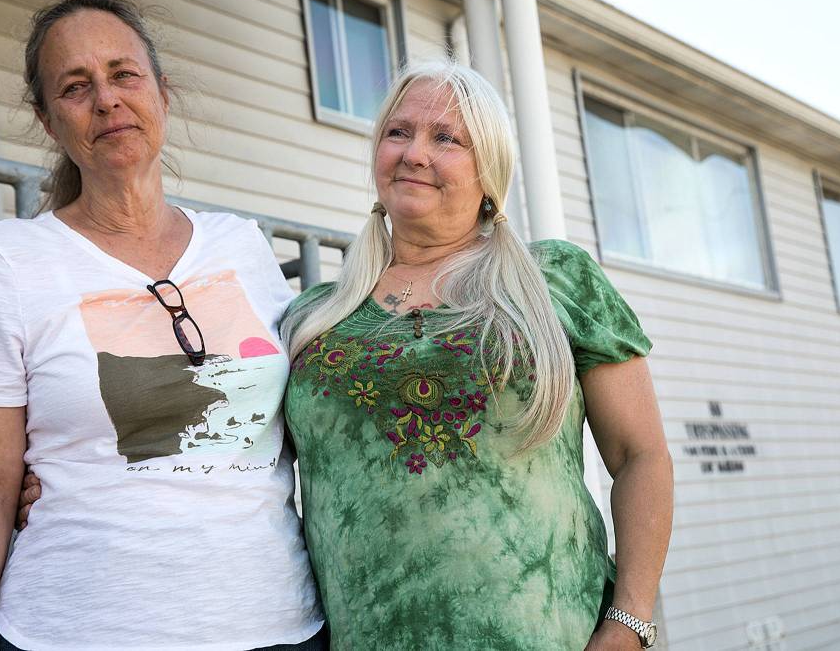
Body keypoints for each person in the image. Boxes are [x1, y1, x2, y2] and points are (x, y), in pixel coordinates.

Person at [0, 0, 325, 650]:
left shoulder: (242, 245)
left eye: (124, 74)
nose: (107, 100)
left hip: (274, 624)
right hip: (72, 630)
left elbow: (304, 421)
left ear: (162, 94)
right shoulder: (9, 261)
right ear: (48, 120)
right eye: (76, 86)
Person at [277, 61, 674, 649]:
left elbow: (640, 455)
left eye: (446, 138)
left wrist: (630, 621)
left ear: (489, 169)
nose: (414, 153)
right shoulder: (313, 317)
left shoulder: (554, 281)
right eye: (397, 132)